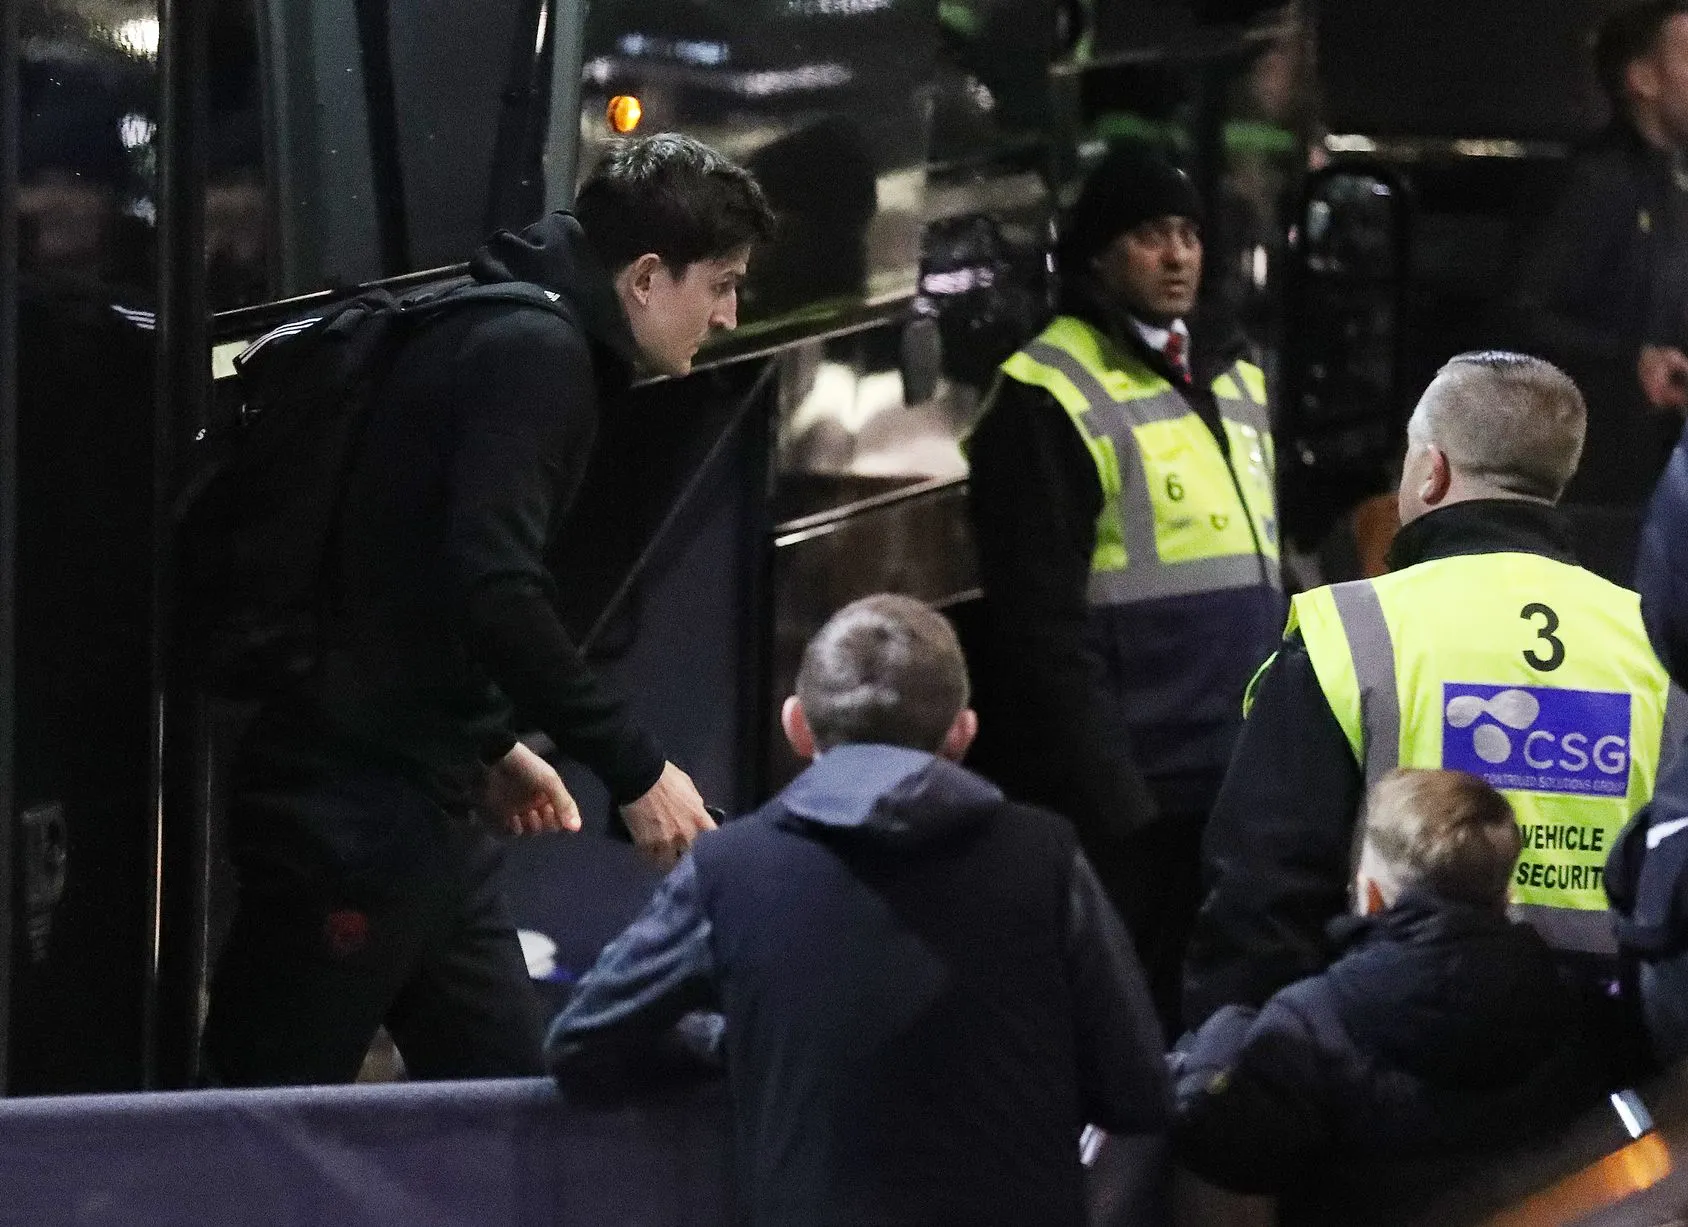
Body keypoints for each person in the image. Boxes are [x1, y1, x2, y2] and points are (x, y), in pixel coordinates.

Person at [200, 134, 776, 1087]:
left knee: (507, 1099)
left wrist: (488, 741)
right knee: (259, 1125)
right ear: (644, 277)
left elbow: (408, 581)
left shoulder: (513, 333)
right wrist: (637, 772)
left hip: (420, 802)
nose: (728, 312)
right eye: (720, 282)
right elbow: (495, 589)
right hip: (351, 817)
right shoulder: (535, 359)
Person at [548, 594, 1170, 1227]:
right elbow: (1138, 1089)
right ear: (962, 733)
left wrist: (735, 1042)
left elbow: (581, 1045)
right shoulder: (1048, 859)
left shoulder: (727, 871)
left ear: (796, 726)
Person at [1184, 352, 1676, 1041]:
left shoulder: (1348, 634)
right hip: (1598, 1066)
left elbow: (1261, 893)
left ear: (1430, 471)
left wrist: (1242, 1078)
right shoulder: (1652, 642)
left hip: (1384, 1053)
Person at [966, 142, 1284, 1031]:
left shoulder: (1237, 369)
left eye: (1188, 234)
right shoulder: (1045, 391)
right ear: (1100, 254)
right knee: (1122, 1015)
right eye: (1151, 235)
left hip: (1234, 764)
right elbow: (1038, 625)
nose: (1179, 255)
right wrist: (1111, 791)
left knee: (1216, 1009)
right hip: (1134, 785)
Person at [1172, 770, 1597, 1218]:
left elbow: (1226, 1189)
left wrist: (1214, 1054)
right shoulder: (1579, 1014)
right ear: (1506, 897)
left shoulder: (1304, 1029)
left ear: (1370, 894)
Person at [1502, 0, 1688, 582]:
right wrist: (1627, 362)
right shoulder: (1599, 184)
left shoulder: (1673, 185)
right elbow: (1524, 316)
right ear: (1643, 80)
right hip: (1605, 500)